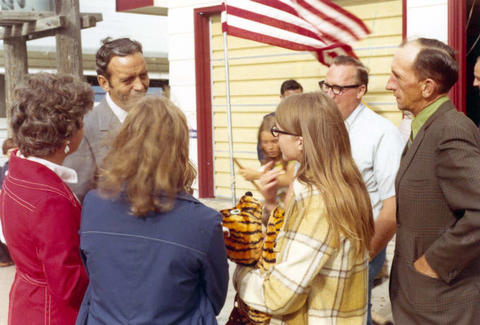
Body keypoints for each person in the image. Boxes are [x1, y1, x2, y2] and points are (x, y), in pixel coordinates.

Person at [77, 96, 229, 325]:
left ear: (125, 140)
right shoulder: (203, 222)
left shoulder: (94, 203)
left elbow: (95, 272)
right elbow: (214, 298)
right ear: (179, 149)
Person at [234, 91, 375, 324]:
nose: (275, 138)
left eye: (278, 131)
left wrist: (243, 274)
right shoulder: (346, 184)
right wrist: (270, 204)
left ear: (301, 140)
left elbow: (280, 294)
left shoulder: (319, 201)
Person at [386, 38, 480, 324]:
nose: (389, 84)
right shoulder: (426, 126)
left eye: (397, 76)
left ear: (427, 87)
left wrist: (434, 263)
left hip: (442, 305)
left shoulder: (450, 129)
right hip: (419, 299)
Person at [0, 73, 92, 324]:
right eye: (81, 120)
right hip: (52, 312)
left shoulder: (18, 169)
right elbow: (68, 284)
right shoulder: (50, 199)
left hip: (27, 299)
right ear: (67, 135)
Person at [320, 55, 404, 325]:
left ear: (361, 91)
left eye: (339, 89)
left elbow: (393, 208)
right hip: (324, 242)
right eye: (326, 85)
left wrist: (367, 254)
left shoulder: (382, 134)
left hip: (361, 245)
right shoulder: (322, 127)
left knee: (353, 315)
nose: (330, 95)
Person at [64, 37, 149, 202]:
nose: (139, 86)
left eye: (143, 75)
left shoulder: (159, 122)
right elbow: (78, 200)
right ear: (104, 83)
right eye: (128, 80)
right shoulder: (85, 130)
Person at [239, 114, 295, 206]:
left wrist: (258, 175)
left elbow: (289, 179)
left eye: (274, 141)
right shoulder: (268, 162)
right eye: (265, 142)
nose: (270, 147)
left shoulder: (291, 158)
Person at [257, 79, 303, 161]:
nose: (294, 103)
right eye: (289, 99)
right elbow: (262, 152)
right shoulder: (271, 120)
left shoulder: (307, 119)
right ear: (281, 98)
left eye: (298, 99)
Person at [0, 137, 16, 267]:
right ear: (5, 153)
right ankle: (5, 257)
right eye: (10, 151)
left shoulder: (20, 167)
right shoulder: (4, 168)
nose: (13, 154)